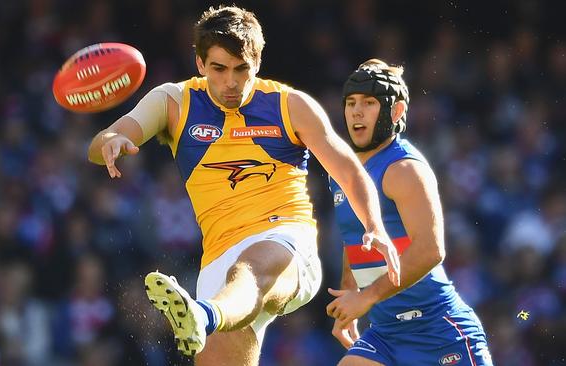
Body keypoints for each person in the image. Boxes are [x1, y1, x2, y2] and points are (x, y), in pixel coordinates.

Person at [87, 6, 400, 366]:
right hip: (218, 262)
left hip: (287, 242)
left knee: (249, 267)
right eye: (219, 69)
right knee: (234, 287)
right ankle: (208, 312)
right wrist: (111, 142)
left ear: (258, 62)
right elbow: (102, 142)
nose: (231, 82)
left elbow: (348, 168)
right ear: (201, 64)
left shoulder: (290, 105)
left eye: (241, 69)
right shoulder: (174, 101)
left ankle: (204, 316)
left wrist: (374, 226)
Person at [326, 59, 493, 366]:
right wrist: (349, 292)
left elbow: (431, 250)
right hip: (385, 335)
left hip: (439, 331)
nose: (357, 112)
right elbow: (356, 238)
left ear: (396, 111)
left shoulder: (404, 169)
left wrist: (366, 297)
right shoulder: (340, 171)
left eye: (369, 102)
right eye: (351, 103)